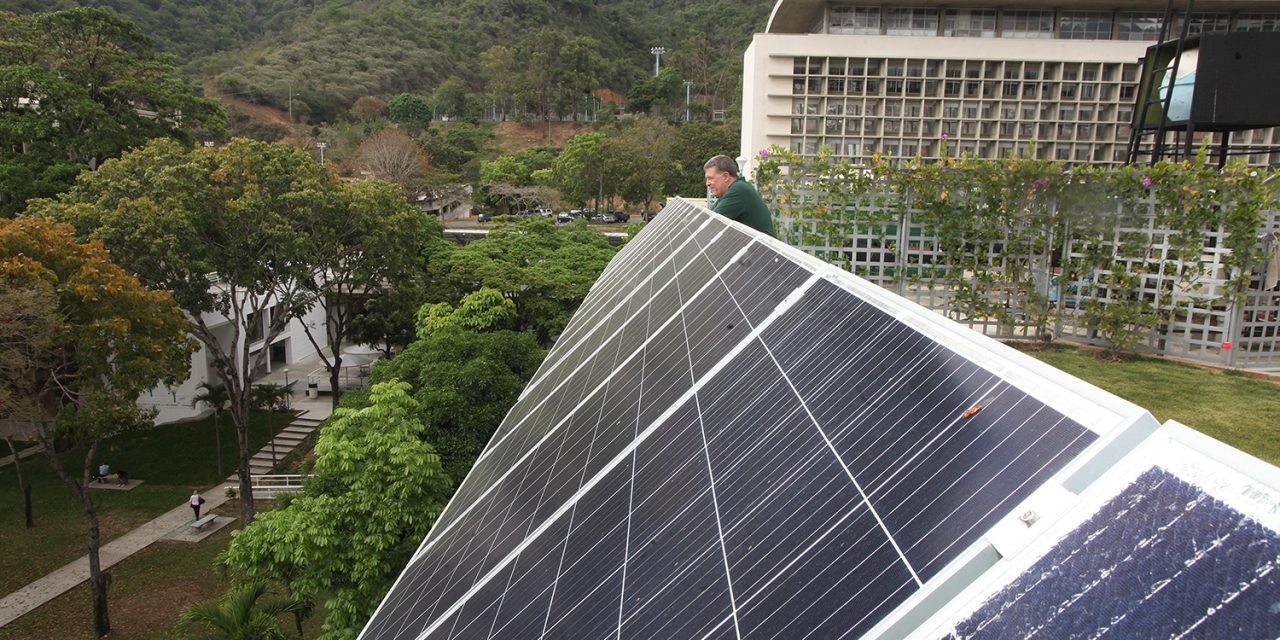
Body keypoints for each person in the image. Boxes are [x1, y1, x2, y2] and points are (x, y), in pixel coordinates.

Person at [703, 155, 776, 237]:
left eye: (710, 178)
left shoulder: (739, 190)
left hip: (761, 249)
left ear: (726, 177)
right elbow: (709, 217)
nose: (707, 183)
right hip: (755, 248)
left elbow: (710, 223)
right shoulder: (733, 190)